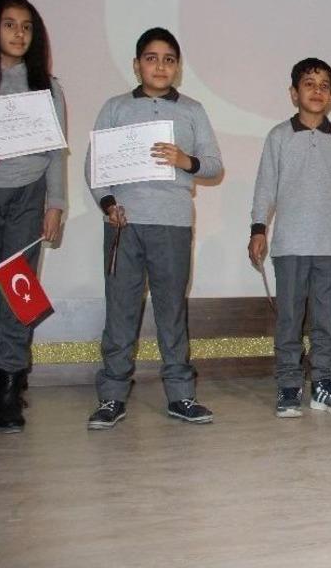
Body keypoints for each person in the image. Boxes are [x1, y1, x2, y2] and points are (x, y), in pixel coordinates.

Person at [84, 27, 222, 430]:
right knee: (121, 311)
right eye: (151, 58)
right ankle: (112, 397)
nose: (160, 66)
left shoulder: (193, 110)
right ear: (136, 64)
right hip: (124, 225)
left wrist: (185, 160)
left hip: (173, 224)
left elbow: (214, 165)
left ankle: (180, 395)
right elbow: (95, 166)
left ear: (177, 68)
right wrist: (108, 204)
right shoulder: (115, 108)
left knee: (172, 311)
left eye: (168, 59)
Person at [249, 58, 331, 418]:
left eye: (324, 86)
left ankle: (324, 384)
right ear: (294, 93)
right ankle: (289, 384)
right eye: (309, 84)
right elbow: (265, 187)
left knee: (325, 319)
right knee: (289, 319)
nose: (317, 91)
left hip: (329, 247)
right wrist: (258, 229)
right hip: (289, 246)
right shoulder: (278, 136)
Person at [0, 0, 67, 433]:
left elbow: (56, 151)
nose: (19, 34)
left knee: (17, 292)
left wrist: (56, 203)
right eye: (10, 24)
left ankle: (9, 386)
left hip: (29, 193)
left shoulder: (47, 86)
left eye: (26, 27)